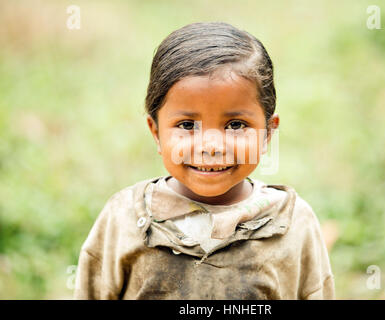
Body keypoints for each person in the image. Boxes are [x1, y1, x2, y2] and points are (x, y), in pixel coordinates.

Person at [74, 22, 335, 300]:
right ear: (156, 132)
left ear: (268, 133)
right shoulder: (123, 219)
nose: (211, 147)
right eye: (187, 125)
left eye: (235, 124)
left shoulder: (293, 223)